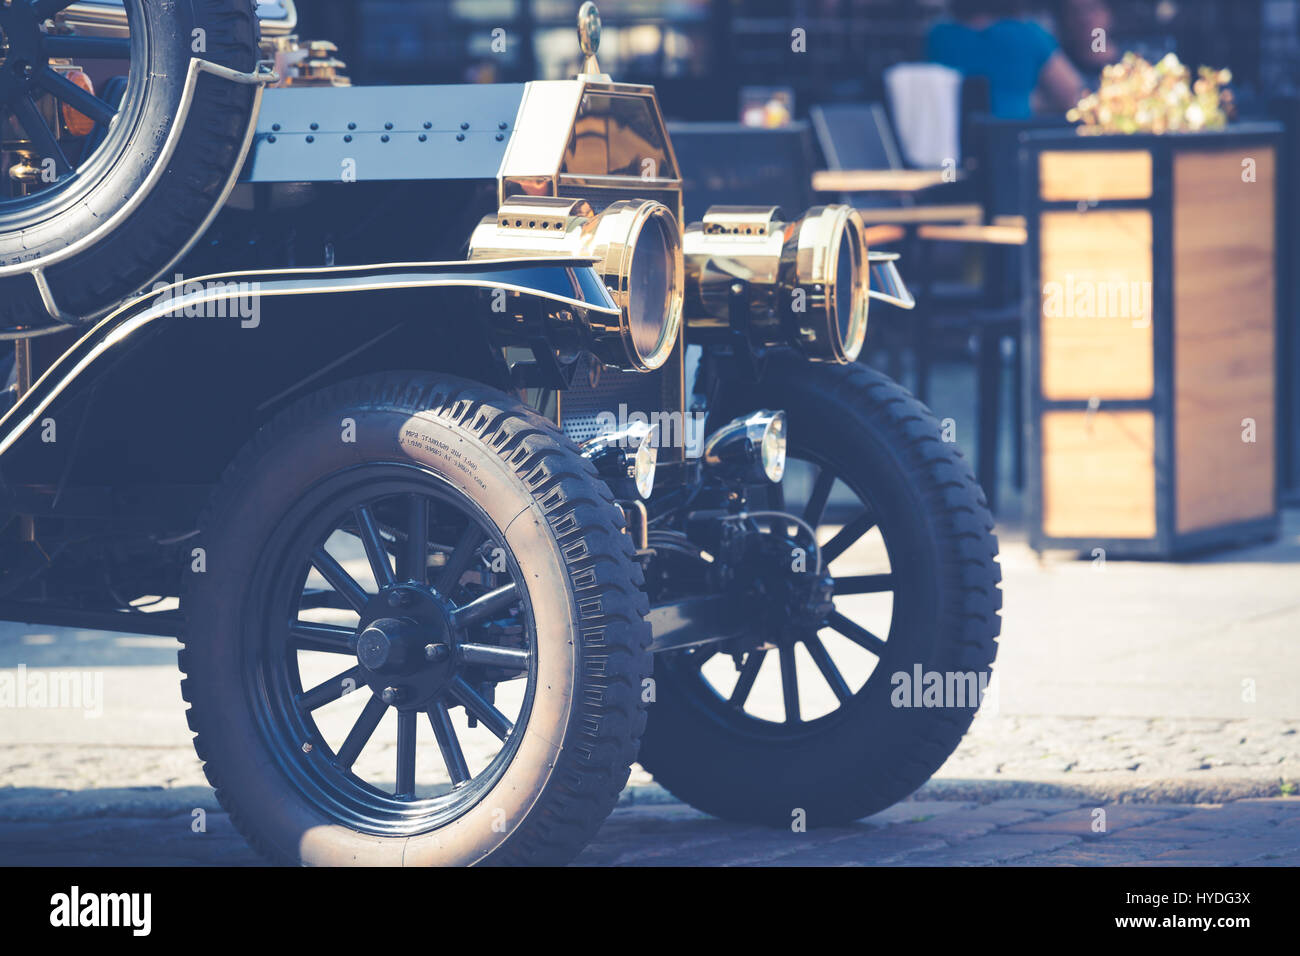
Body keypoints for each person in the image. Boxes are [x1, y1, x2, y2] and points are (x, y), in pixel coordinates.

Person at [927, 0, 1084, 119]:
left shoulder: (939, 35)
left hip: (954, 146)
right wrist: (1033, 102)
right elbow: (1074, 96)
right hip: (1013, 139)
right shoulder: (1029, 34)